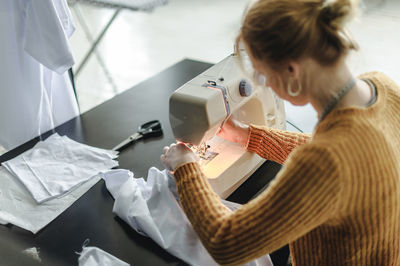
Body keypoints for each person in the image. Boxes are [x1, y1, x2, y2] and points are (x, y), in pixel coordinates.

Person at [161, 0, 400, 265]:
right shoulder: (384, 88)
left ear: (291, 70)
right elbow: (350, 152)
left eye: (263, 76)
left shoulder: (323, 162)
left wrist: (185, 167)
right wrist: (246, 135)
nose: (266, 86)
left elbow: (227, 243)